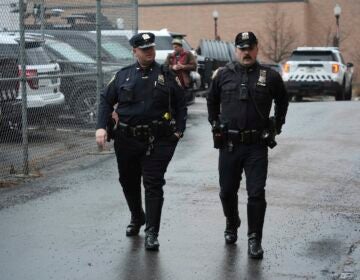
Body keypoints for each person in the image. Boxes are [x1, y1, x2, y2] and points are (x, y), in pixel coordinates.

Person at [96, 32, 187, 251]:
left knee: (153, 183)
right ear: (134, 52)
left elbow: (181, 105)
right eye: (144, 49)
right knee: (128, 181)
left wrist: (178, 133)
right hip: (127, 139)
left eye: (151, 48)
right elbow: (105, 100)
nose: (149, 52)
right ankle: (137, 217)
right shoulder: (123, 76)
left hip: (158, 141)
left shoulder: (166, 75)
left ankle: (152, 233)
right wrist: (101, 127)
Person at [207, 31, 289, 259]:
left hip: (256, 146)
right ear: (236, 50)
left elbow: (283, 99)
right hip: (229, 145)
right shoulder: (222, 75)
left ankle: (254, 238)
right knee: (226, 192)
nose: (246, 52)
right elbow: (211, 99)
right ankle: (232, 223)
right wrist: (214, 123)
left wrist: (277, 124)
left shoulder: (269, 76)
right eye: (242, 48)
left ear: (256, 49)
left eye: (250, 48)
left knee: (256, 193)